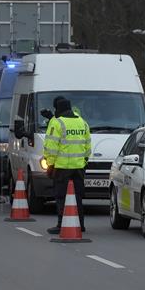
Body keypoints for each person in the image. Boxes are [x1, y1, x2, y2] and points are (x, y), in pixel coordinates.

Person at [43, 97, 92, 234]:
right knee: (77, 197)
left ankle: (61, 224)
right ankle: (80, 224)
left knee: (61, 197)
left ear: (58, 109)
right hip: (79, 168)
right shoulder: (83, 123)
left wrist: (50, 165)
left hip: (62, 168)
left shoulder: (57, 123)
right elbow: (88, 147)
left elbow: (51, 147)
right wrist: (83, 163)